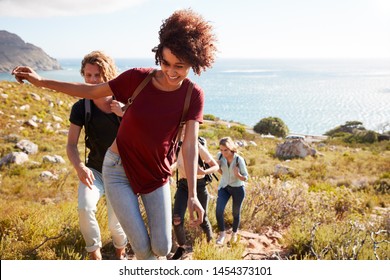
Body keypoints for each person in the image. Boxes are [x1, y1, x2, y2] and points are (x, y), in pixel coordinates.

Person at [12, 8, 218, 260]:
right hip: (118, 169)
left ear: (194, 64)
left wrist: (193, 196)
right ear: (158, 55)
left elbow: (189, 145)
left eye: (180, 66)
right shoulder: (137, 79)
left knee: (162, 247)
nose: (171, 72)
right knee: (142, 249)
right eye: (165, 62)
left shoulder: (192, 95)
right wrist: (41, 81)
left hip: (156, 173)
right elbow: (89, 91)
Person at [66, 50, 127, 260]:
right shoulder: (81, 107)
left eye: (97, 76)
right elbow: (71, 145)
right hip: (95, 171)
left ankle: (120, 253)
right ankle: (95, 256)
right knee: (84, 207)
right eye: (88, 75)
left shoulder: (124, 102)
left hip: (122, 174)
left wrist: (125, 113)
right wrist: (80, 168)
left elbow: (145, 133)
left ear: (107, 75)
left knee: (115, 223)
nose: (92, 80)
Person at [170, 136, 219, 260]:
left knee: (203, 219)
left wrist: (203, 172)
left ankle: (210, 245)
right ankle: (182, 248)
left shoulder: (197, 145)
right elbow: (175, 163)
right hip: (183, 186)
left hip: (200, 186)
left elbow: (215, 166)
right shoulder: (176, 145)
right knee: (176, 219)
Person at [215, 137, 249, 245]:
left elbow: (246, 177)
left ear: (231, 149)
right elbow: (222, 173)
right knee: (219, 211)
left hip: (238, 188)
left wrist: (238, 175)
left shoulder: (239, 160)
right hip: (224, 187)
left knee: (235, 213)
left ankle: (234, 234)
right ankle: (222, 235)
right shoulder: (219, 156)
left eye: (225, 150)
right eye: (221, 150)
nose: (223, 152)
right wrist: (218, 167)